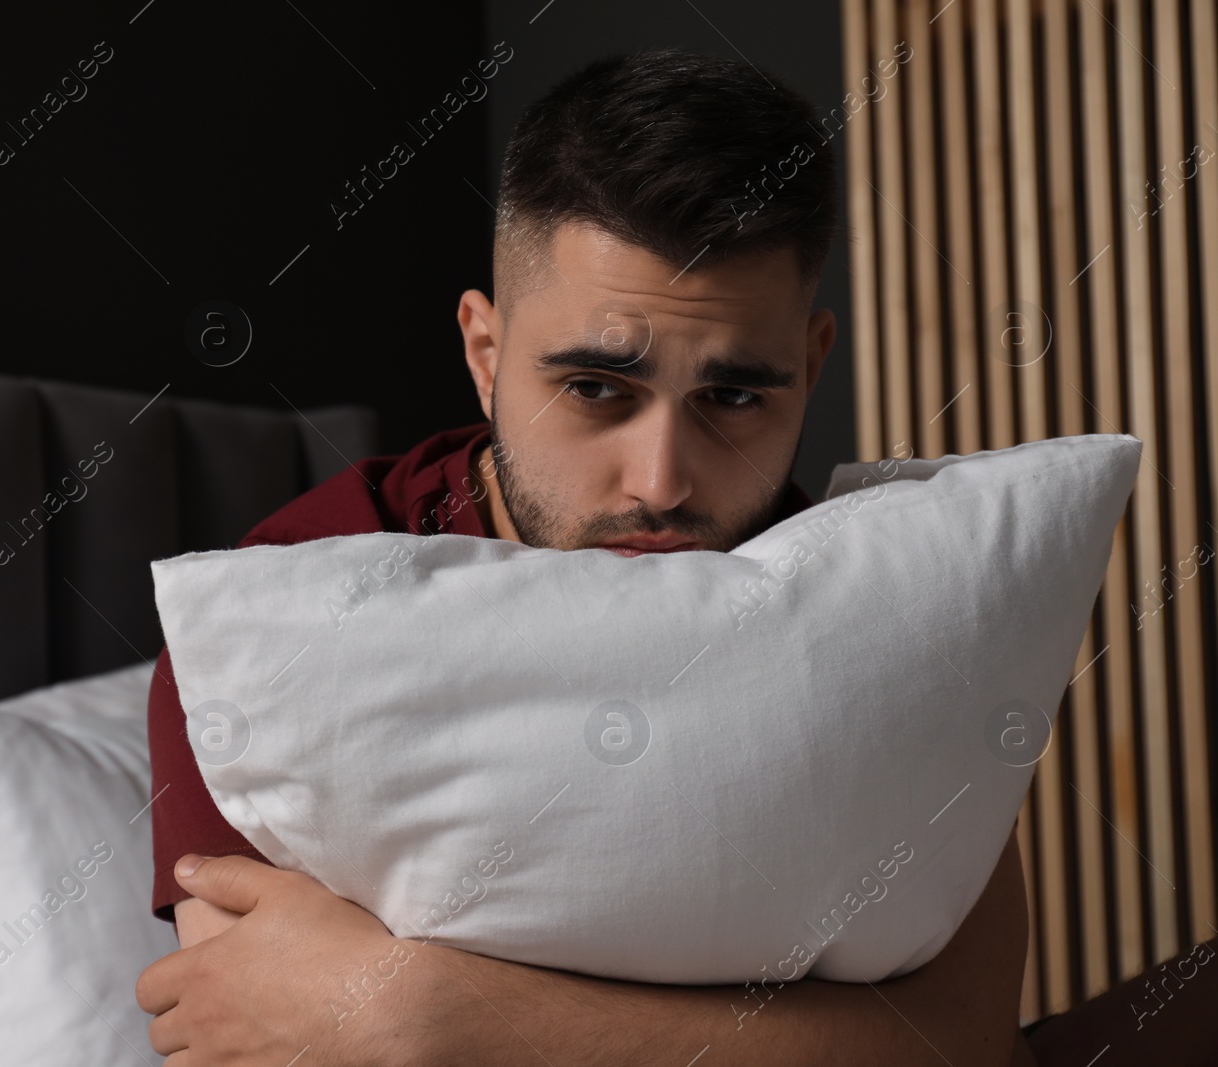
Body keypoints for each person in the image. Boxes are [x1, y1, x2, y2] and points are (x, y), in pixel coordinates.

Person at [135, 48, 1214, 1067]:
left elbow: (962, 1038)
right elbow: (253, 1027)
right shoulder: (281, 603)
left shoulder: (885, 588)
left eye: (733, 395)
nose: (663, 479)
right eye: (596, 387)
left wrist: (429, 1007)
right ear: (485, 351)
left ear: (810, 360)